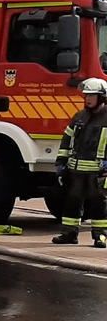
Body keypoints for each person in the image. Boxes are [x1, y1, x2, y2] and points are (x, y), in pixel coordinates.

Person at [52, 78, 107, 247]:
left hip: (98, 172)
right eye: (86, 95)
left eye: (92, 95)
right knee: (72, 202)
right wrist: (61, 162)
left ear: (102, 97)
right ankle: (69, 234)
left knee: (98, 203)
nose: (88, 99)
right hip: (76, 171)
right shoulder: (79, 116)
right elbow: (67, 139)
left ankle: (100, 236)